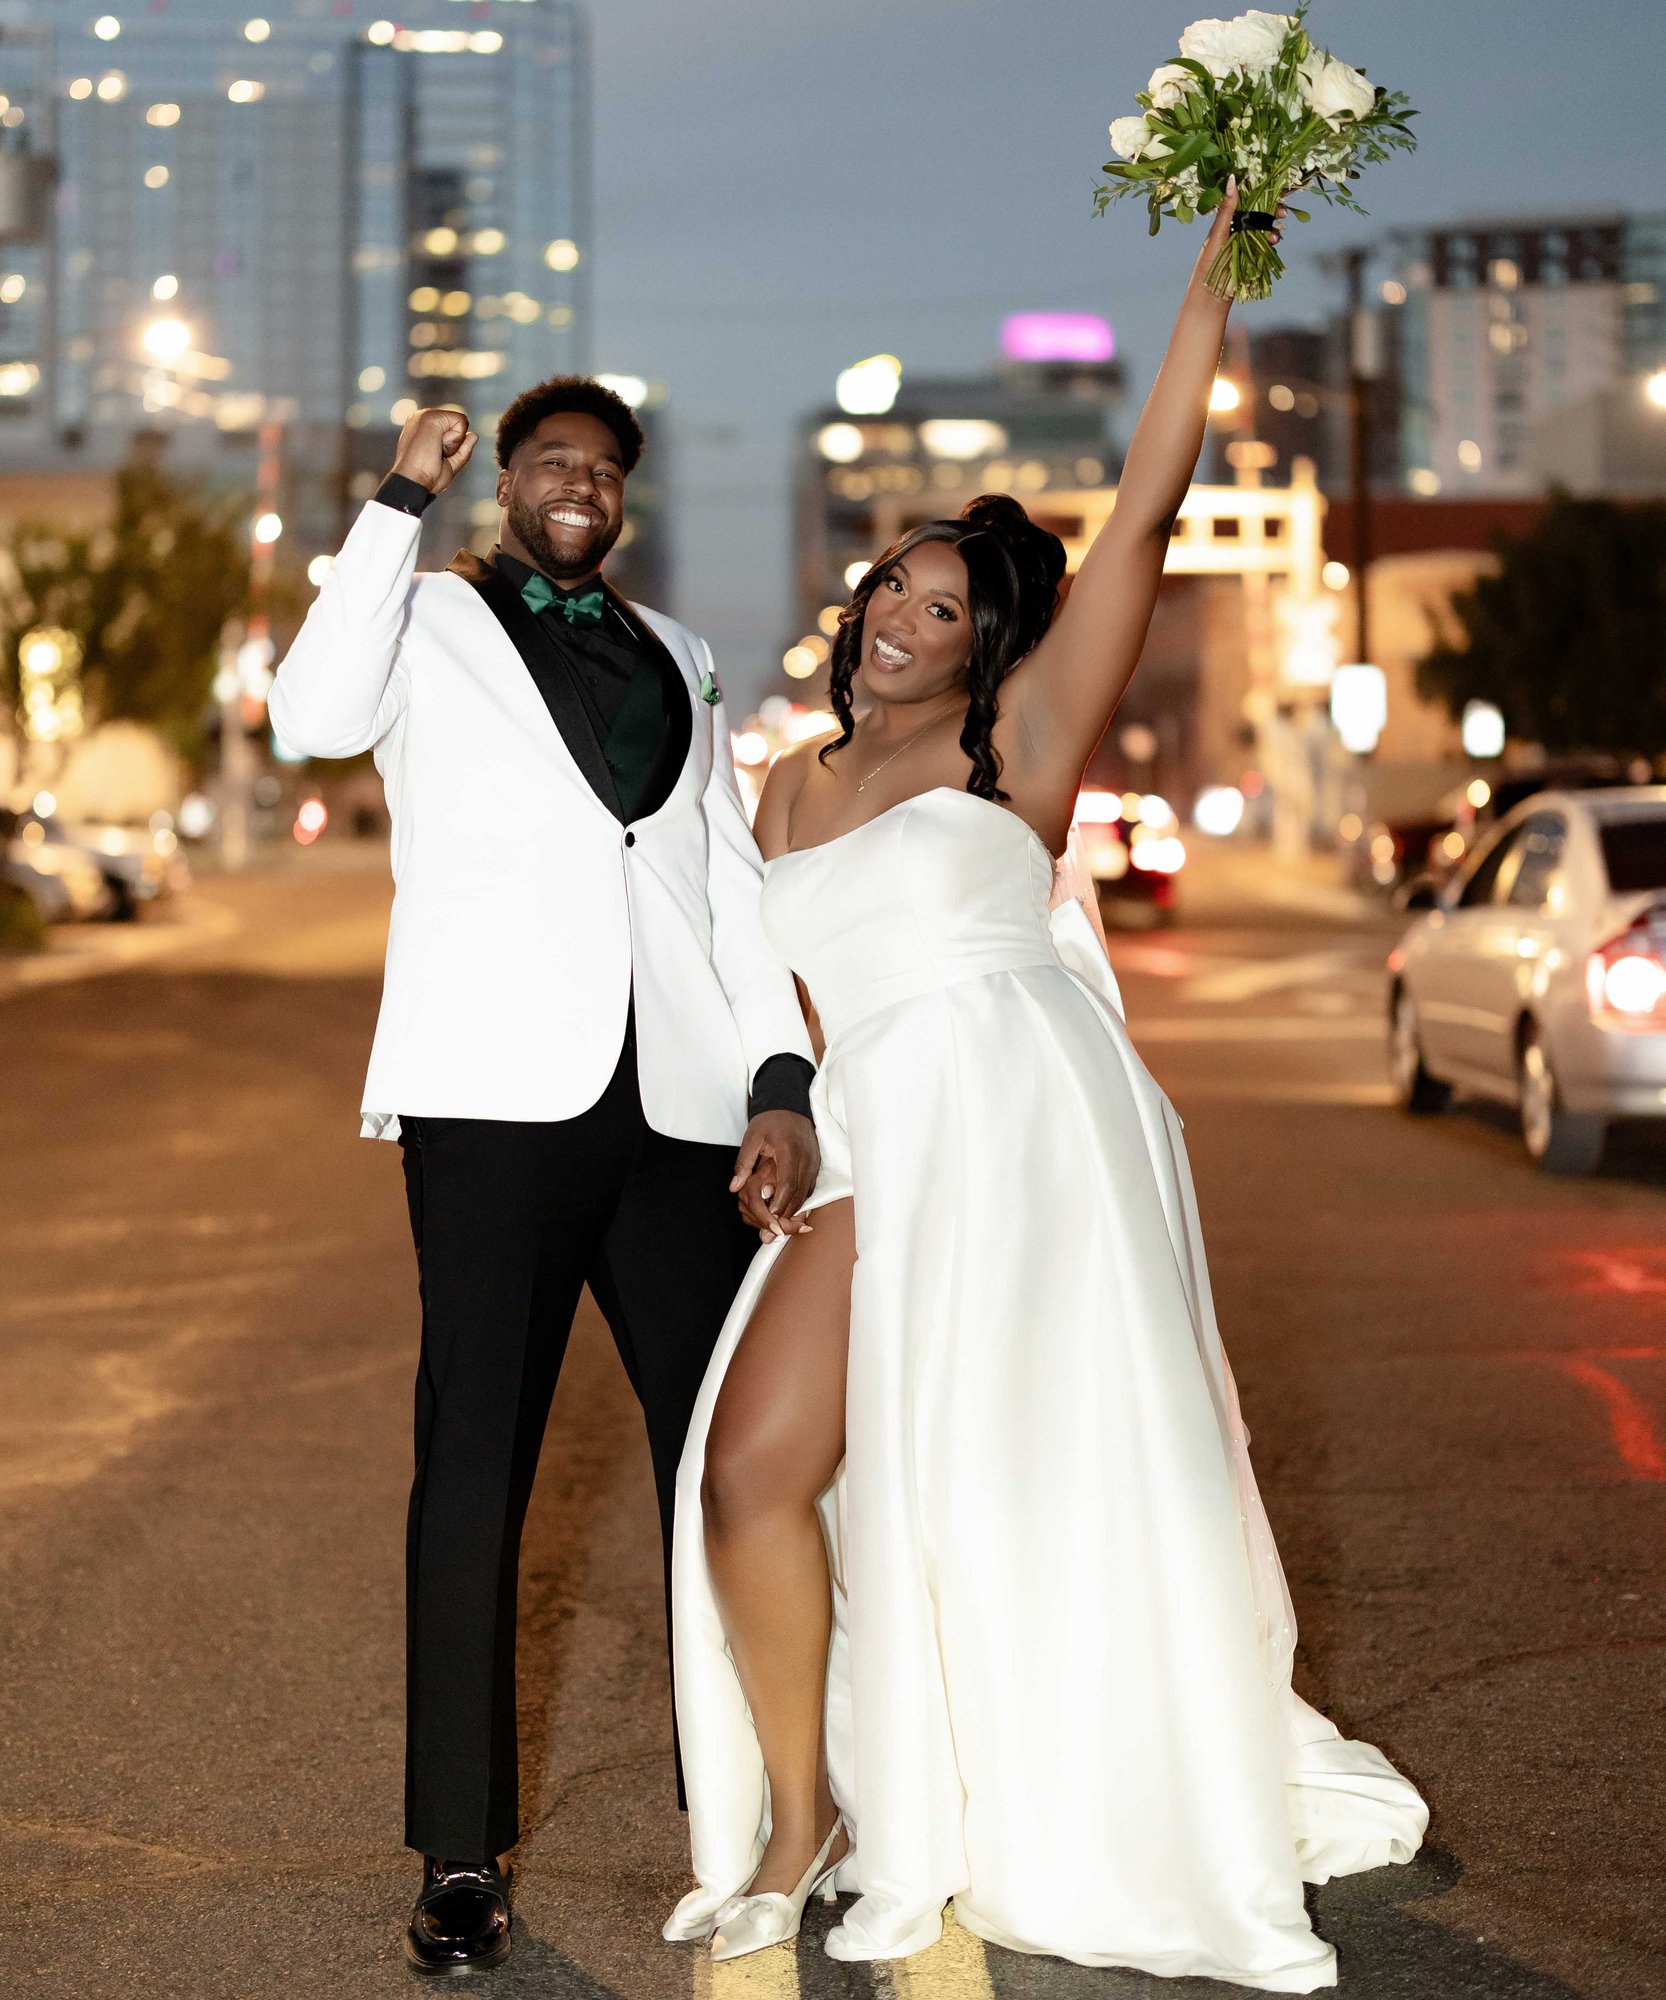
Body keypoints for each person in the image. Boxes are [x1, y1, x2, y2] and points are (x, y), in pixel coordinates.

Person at [663, 185, 1427, 1987]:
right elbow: (765, 995)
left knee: (1018, 1476)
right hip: (869, 1136)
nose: (894, 624)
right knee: (748, 1471)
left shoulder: (1022, 752)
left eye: (937, 608)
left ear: (986, 644)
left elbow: (1151, 496)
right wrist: (774, 1111)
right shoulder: (779, 783)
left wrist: (1212, 271)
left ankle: (1038, 1780)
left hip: (1022, 1126)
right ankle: (800, 1817)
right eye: (885, 594)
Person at [268, 378, 820, 1975]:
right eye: (549, 463)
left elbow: (723, 879)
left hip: (682, 1119)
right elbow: (309, 716)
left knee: (725, 1466)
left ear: (625, 498)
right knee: (474, 1472)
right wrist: (394, 496)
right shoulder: (422, 620)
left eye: (602, 468)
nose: (578, 484)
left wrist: (778, 1077)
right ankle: (458, 1853)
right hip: (495, 1106)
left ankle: (747, 1802)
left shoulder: (681, 658)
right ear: (506, 482)